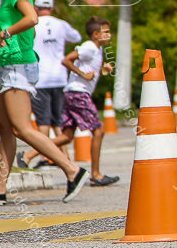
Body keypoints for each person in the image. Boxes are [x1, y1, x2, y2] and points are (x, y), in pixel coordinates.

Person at [0, 0, 88, 205]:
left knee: (21, 128)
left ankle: (72, 170)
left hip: (18, 67)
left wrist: (5, 34)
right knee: (4, 128)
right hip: (7, 66)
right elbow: (24, 29)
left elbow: (32, 18)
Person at [19, 16, 119, 186]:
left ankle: (28, 155)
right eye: (106, 32)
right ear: (95, 34)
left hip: (72, 93)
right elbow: (66, 60)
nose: (109, 35)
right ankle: (95, 174)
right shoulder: (89, 47)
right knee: (99, 131)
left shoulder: (96, 49)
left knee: (66, 137)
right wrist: (83, 75)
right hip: (78, 95)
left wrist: (102, 69)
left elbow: (88, 68)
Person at [30, 0, 82, 142]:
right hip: (60, 77)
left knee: (43, 122)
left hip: (40, 79)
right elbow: (76, 37)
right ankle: (62, 157)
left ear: (35, 8)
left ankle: (45, 156)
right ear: (51, 8)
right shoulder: (61, 24)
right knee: (58, 121)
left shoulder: (32, 25)